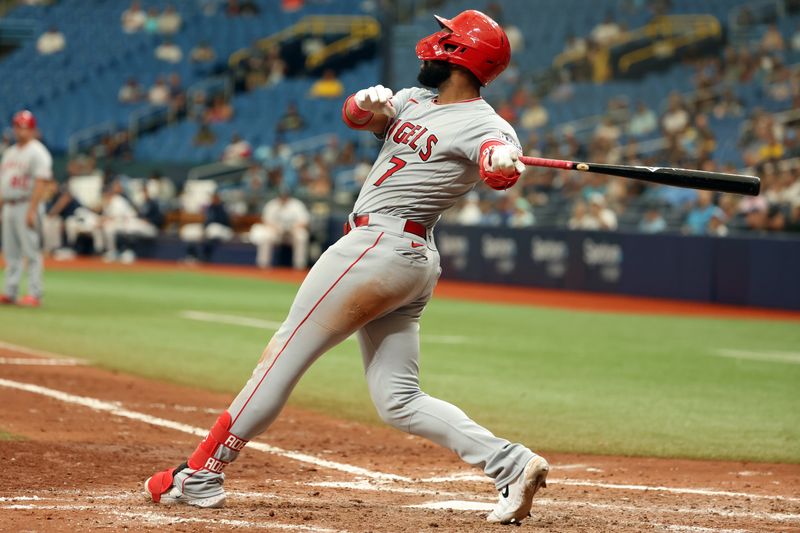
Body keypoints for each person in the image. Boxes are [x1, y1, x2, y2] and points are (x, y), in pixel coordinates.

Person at [144, 10, 549, 526]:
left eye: (445, 38)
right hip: (405, 260)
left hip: (378, 248)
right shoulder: (416, 98)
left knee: (282, 355)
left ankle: (200, 474)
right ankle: (510, 463)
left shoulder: (488, 125)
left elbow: (498, 162)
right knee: (397, 400)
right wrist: (363, 103)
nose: (432, 43)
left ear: (460, 54)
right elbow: (358, 119)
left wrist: (498, 163)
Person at [0, 110, 53, 307]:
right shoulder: (10, 153)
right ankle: (10, 291)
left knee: (31, 251)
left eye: (25, 127)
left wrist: (32, 210)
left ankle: (34, 293)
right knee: (10, 252)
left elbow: (41, 183)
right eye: (18, 126)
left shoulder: (38, 152)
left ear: (33, 129)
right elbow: (3, 183)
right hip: (9, 204)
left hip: (27, 204)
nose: (21, 131)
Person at [248, 188, 310, 269]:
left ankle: (299, 266)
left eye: (285, 195)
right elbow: (266, 221)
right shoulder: (272, 205)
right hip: (276, 232)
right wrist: (276, 228)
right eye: (281, 196)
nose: (283, 198)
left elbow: (305, 221)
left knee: (302, 236)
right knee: (266, 237)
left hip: (292, 232)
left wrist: (293, 228)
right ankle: (263, 265)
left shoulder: (296, 204)